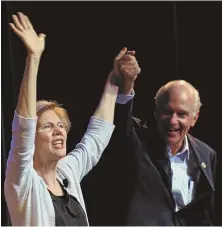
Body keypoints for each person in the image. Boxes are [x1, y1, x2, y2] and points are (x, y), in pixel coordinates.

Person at [4, 12, 124, 226]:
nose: (59, 130)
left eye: (61, 125)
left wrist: (114, 82)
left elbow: (96, 138)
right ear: (33, 137)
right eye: (48, 126)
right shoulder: (22, 182)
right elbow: (23, 129)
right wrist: (33, 58)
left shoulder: (66, 172)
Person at [113, 48, 217, 225]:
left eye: (181, 114)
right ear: (156, 112)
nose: (173, 121)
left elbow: (204, 212)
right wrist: (126, 85)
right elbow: (120, 120)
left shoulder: (206, 154)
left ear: (194, 118)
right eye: (167, 112)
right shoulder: (138, 138)